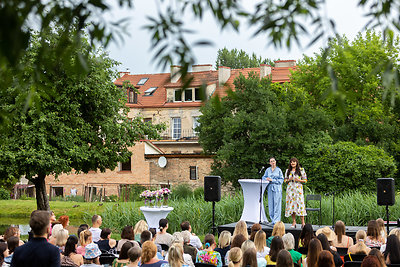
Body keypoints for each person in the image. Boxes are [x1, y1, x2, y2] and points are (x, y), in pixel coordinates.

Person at [284, 157, 307, 228]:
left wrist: (299, 180)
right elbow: (285, 181)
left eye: (294, 162)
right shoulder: (288, 170)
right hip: (290, 190)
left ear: (296, 163)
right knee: (291, 205)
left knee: (300, 205)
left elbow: (305, 180)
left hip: (298, 190)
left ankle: (303, 223)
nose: (292, 163)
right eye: (291, 162)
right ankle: (294, 222)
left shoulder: (301, 170)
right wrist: (289, 179)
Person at [262, 157, 284, 225]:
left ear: (275, 162)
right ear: (269, 163)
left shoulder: (279, 170)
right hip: (270, 188)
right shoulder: (267, 170)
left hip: (277, 188)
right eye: (271, 161)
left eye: (273, 161)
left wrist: (272, 180)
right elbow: (263, 177)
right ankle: (272, 220)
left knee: (277, 204)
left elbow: (281, 180)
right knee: (271, 204)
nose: (272, 162)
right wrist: (266, 179)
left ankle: (276, 221)